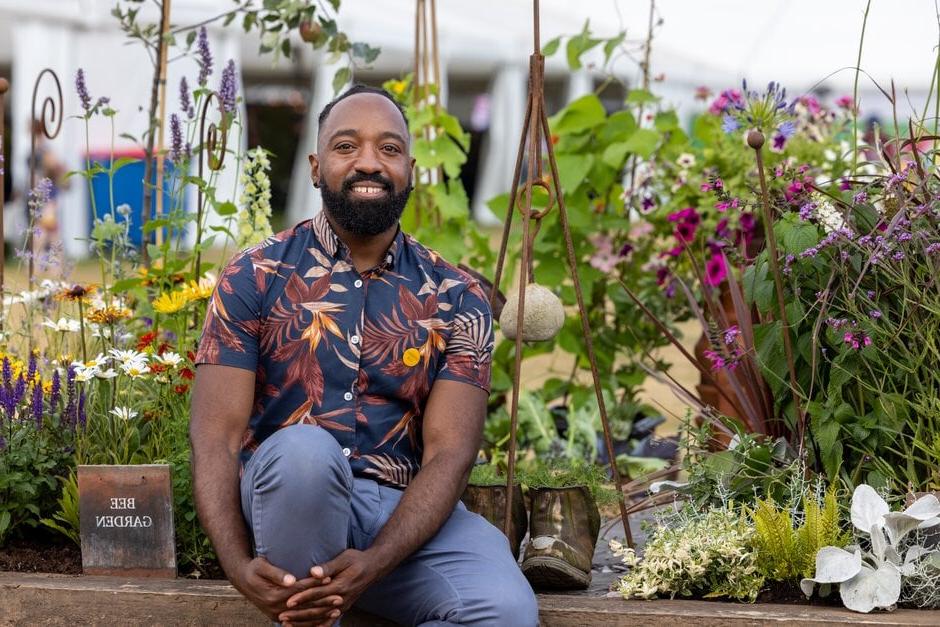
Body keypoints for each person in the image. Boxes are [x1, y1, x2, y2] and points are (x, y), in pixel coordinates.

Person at [190, 84, 539, 627]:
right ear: (315, 164)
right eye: (347, 146)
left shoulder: (456, 296)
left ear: (412, 169)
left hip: (403, 522)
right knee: (306, 454)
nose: (369, 163)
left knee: (505, 611)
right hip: (291, 512)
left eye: (390, 149)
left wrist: (375, 563)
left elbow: (450, 452)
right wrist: (236, 564)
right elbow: (217, 436)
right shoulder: (255, 274)